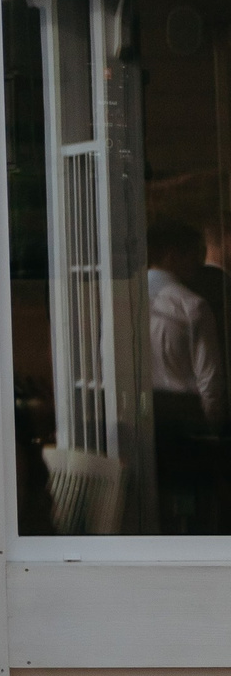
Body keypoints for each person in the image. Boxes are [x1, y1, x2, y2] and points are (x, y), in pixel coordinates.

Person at [147, 220, 226, 530]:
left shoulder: (122, 303)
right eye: (193, 253)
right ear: (172, 255)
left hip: (137, 420)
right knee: (191, 513)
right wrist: (212, 431)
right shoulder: (192, 306)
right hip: (185, 423)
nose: (199, 261)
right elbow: (210, 383)